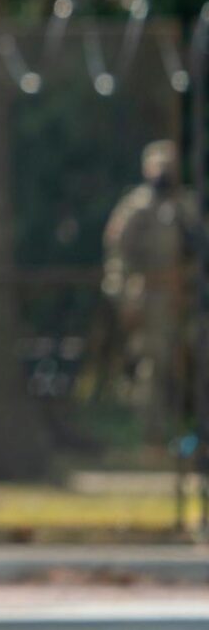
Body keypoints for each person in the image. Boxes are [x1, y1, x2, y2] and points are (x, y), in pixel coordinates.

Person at [102, 139, 204, 442]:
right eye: (159, 165)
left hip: (184, 299)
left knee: (191, 367)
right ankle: (153, 438)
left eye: (170, 165)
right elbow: (117, 259)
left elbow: (199, 253)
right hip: (150, 298)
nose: (165, 172)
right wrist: (124, 300)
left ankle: (191, 440)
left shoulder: (186, 206)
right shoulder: (135, 208)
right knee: (153, 369)